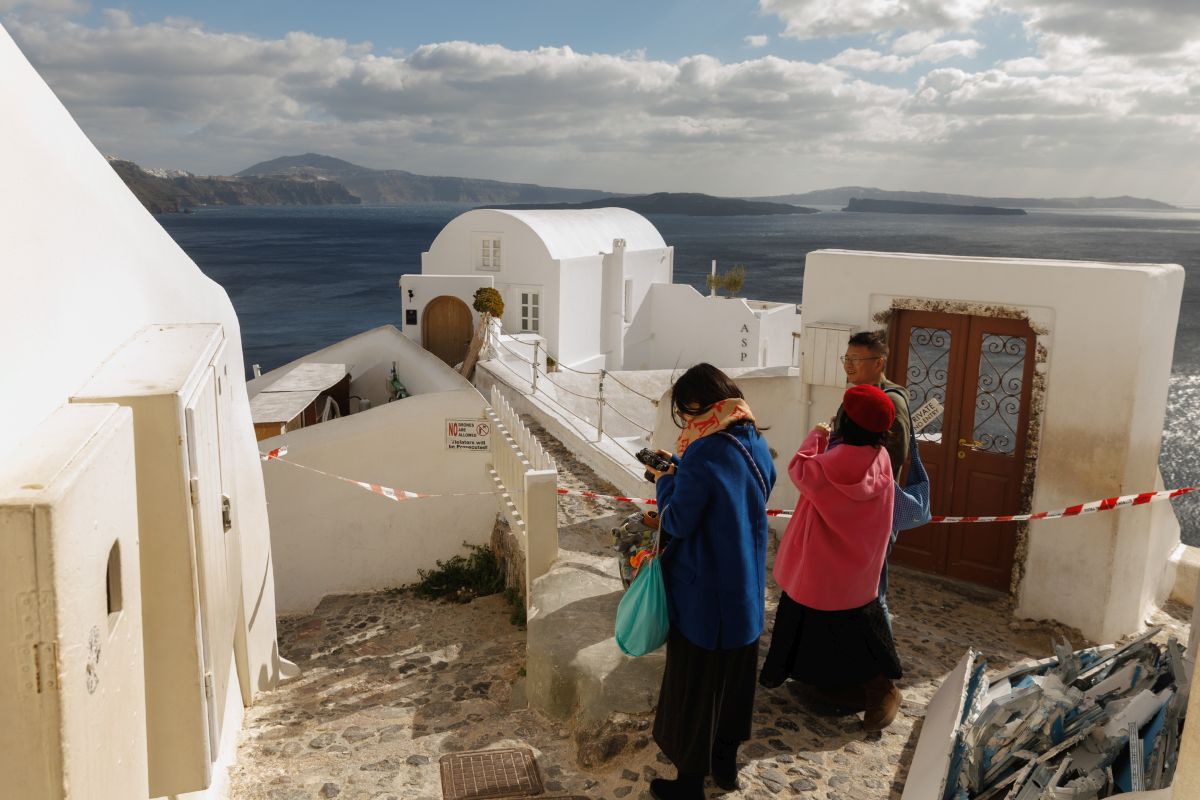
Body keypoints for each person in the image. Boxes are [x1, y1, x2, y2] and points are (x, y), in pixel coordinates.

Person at [642, 363, 776, 800]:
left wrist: (665, 481)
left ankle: (688, 784)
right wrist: (683, 470)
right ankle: (726, 768)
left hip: (704, 595)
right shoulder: (753, 441)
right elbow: (735, 491)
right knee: (734, 686)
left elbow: (678, 519)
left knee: (695, 689)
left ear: (699, 405)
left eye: (685, 412)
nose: (685, 420)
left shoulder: (703, 452)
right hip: (745, 593)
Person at [759, 383, 904, 732]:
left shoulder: (826, 465)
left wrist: (817, 436)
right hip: (859, 564)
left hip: (821, 564)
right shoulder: (880, 459)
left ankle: (874, 689)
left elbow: (798, 469)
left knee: (816, 622)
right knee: (854, 627)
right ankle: (854, 687)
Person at [834, 330, 911, 618]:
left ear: (878, 363)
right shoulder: (856, 397)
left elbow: (893, 454)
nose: (848, 365)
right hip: (853, 505)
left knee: (872, 591)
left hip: (875, 508)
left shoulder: (891, 401)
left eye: (856, 359)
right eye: (847, 358)